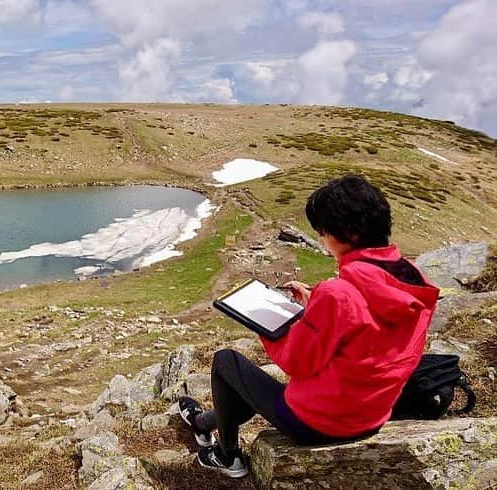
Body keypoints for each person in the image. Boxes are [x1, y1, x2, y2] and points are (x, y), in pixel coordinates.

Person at [178, 175, 440, 478]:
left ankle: (227, 456)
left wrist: (263, 323)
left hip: (318, 423)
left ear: (348, 233)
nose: (321, 239)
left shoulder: (338, 294)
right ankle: (204, 423)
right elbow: (369, 321)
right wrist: (314, 301)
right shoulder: (410, 279)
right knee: (246, 388)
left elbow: (296, 362)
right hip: (373, 414)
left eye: (323, 232)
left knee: (226, 362)